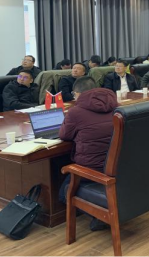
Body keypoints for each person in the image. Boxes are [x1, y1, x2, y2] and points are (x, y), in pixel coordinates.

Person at [58, 77, 119, 231]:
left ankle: (101, 216)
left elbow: (64, 136)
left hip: (91, 169)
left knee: (63, 194)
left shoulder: (75, 112)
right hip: (116, 166)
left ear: (78, 94)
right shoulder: (116, 106)